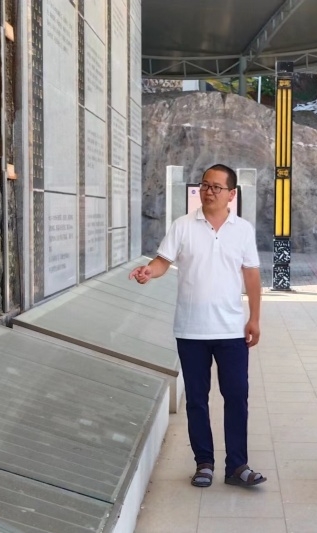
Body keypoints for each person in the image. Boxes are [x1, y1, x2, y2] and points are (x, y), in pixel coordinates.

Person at [130, 164, 266, 488]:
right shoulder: (183, 226)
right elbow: (162, 261)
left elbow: (251, 276)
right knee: (196, 399)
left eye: (217, 187)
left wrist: (255, 318)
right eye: (205, 185)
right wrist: (148, 271)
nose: (209, 191)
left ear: (231, 194)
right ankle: (204, 463)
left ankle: (237, 466)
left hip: (231, 330)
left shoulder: (243, 230)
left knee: (237, 396)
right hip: (191, 330)